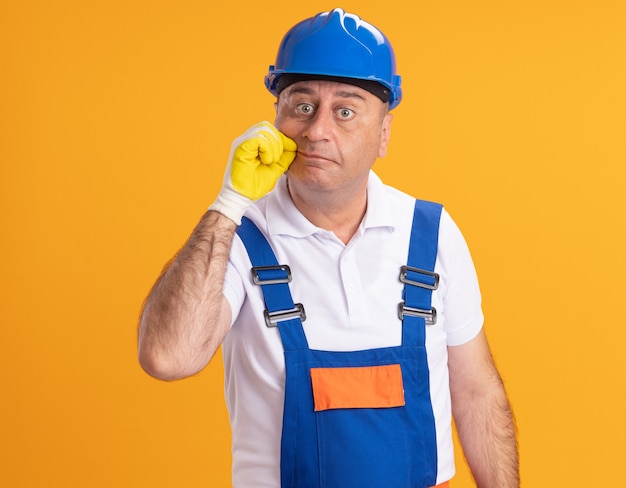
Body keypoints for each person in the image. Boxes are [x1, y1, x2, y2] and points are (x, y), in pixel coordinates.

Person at [138, 8, 519, 488]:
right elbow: (168, 359)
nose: (317, 130)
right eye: (301, 106)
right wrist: (230, 202)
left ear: (383, 133)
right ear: (276, 117)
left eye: (345, 110)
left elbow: (477, 392)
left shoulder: (432, 233)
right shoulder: (235, 239)